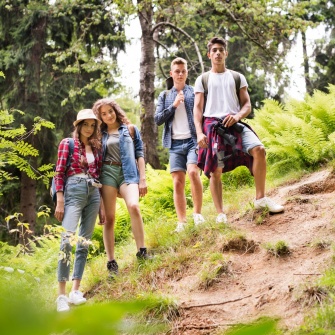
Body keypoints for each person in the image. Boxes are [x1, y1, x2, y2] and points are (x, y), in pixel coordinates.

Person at [193, 37, 284, 223]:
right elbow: (198, 109)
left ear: (226, 53)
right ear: (209, 54)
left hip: (235, 123)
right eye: (214, 50)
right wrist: (199, 132)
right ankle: (220, 214)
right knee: (216, 170)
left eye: (221, 50)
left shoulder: (237, 77)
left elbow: (247, 105)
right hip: (213, 126)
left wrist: (237, 116)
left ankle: (260, 199)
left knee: (259, 149)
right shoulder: (202, 79)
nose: (218, 53)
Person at [92, 98, 150, 278]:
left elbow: (139, 154)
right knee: (109, 219)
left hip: (128, 173)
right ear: (99, 117)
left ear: (116, 110)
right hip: (107, 174)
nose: (108, 115)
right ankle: (111, 263)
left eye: (110, 111)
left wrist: (143, 178)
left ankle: (142, 251)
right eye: (103, 113)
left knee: (134, 206)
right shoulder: (99, 135)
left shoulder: (131, 130)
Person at [54, 109, 103, 312]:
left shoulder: (96, 147)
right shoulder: (68, 143)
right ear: (78, 125)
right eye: (86, 124)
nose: (89, 129)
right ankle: (61, 296)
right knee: (67, 240)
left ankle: (76, 290)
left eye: (93, 125)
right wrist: (59, 200)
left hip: (94, 194)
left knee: (84, 242)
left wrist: (101, 208)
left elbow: (98, 176)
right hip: (73, 190)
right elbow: (59, 171)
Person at [155, 57, 205, 233]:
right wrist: (174, 105)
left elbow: (202, 114)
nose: (180, 74)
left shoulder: (194, 92)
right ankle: (182, 222)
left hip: (193, 140)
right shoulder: (165, 95)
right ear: (171, 74)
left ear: (187, 73)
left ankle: (197, 214)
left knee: (193, 172)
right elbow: (157, 119)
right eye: (177, 71)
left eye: (183, 71)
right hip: (174, 143)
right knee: (177, 182)